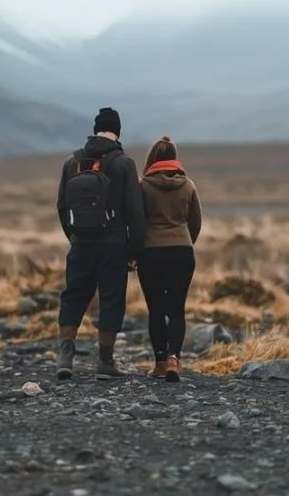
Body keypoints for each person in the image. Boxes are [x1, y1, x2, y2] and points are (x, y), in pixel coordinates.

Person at [55, 107, 146, 380]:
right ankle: (105, 362)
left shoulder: (71, 162)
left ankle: (65, 357)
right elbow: (135, 211)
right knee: (111, 300)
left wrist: (73, 235)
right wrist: (134, 251)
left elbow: (61, 205)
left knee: (73, 296)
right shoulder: (124, 163)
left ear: (96, 129)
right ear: (117, 131)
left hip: (81, 245)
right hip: (113, 246)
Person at [137, 135, 202, 382]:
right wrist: (185, 240)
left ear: (152, 158)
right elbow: (196, 221)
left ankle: (160, 362)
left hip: (150, 252)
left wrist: (135, 250)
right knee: (177, 308)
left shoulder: (142, 186)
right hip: (181, 251)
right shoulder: (188, 186)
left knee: (155, 309)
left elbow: (137, 221)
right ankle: (175, 358)